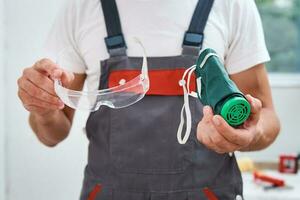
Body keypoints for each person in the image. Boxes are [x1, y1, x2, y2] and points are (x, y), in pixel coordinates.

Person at [17, 0, 280, 199]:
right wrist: (43, 107)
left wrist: (251, 132)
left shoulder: (231, 5)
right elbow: (52, 134)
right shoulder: (82, 7)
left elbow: (267, 116)